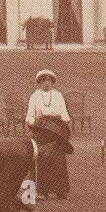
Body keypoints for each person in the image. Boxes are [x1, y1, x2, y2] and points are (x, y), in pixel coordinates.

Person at [26, 69, 72, 200]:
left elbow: (65, 116)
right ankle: (42, 192)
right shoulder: (34, 97)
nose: (46, 83)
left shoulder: (58, 96)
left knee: (58, 161)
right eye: (43, 81)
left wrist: (60, 126)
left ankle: (60, 191)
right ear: (39, 83)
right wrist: (35, 126)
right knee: (42, 160)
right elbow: (30, 117)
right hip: (41, 132)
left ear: (53, 82)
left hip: (56, 131)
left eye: (49, 81)